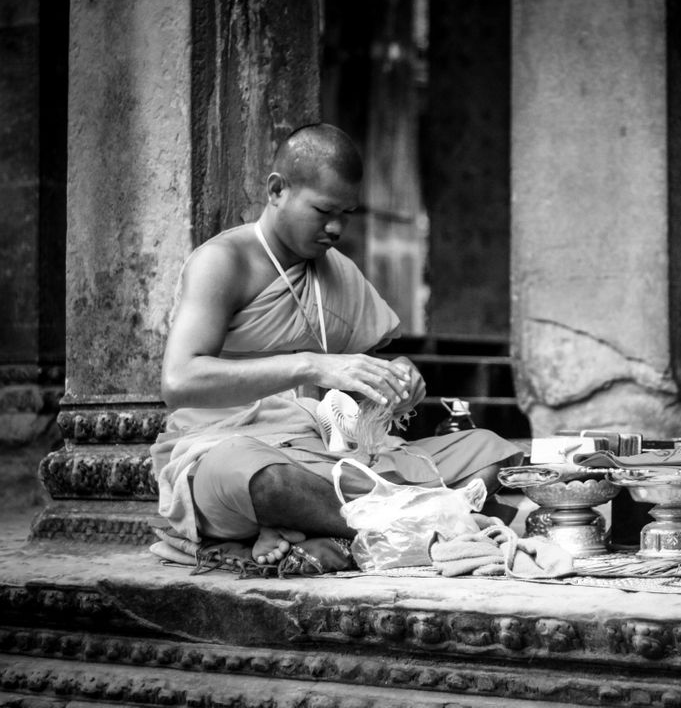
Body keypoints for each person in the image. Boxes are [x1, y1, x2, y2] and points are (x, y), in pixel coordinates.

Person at [150, 123, 522, 565]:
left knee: (489, 452)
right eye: (323, 209)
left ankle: (350, 533)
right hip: (231, 450)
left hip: (328, 458)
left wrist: (397, 380)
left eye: (347, 213)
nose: (336, 227)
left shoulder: (336, 271)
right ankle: (420, 527)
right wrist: (311, 366)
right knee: (263, 481)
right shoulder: (224, 262)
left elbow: (358, 376)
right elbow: (179, 381)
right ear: (276, 190)